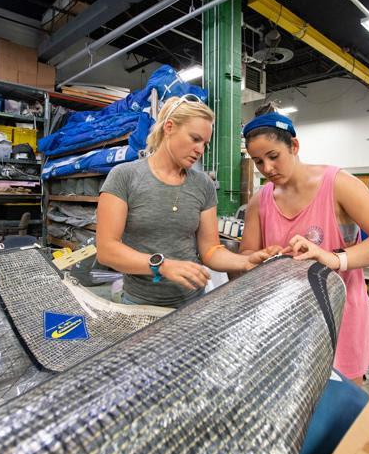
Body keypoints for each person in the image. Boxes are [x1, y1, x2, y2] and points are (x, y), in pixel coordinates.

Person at [240, 104, 369, 382]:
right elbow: (246, 255)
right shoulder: (260, 200)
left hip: (338, 319)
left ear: (294, 146)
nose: (267, 168)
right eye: (258, 162)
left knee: (340, 405)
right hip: (286, 321)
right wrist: (263, 257)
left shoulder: (337, 184)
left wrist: (334, 258)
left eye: (273, 156)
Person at [96, 95, 278, 307]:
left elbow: (210, 250)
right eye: (195, 139)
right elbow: (107, 250)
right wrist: (161, 265)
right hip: (139, 304)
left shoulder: (203, 185)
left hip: (191, 303)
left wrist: (245, 261)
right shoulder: (124, 177)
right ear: (170, 127)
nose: (200, 150)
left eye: (205, 143)